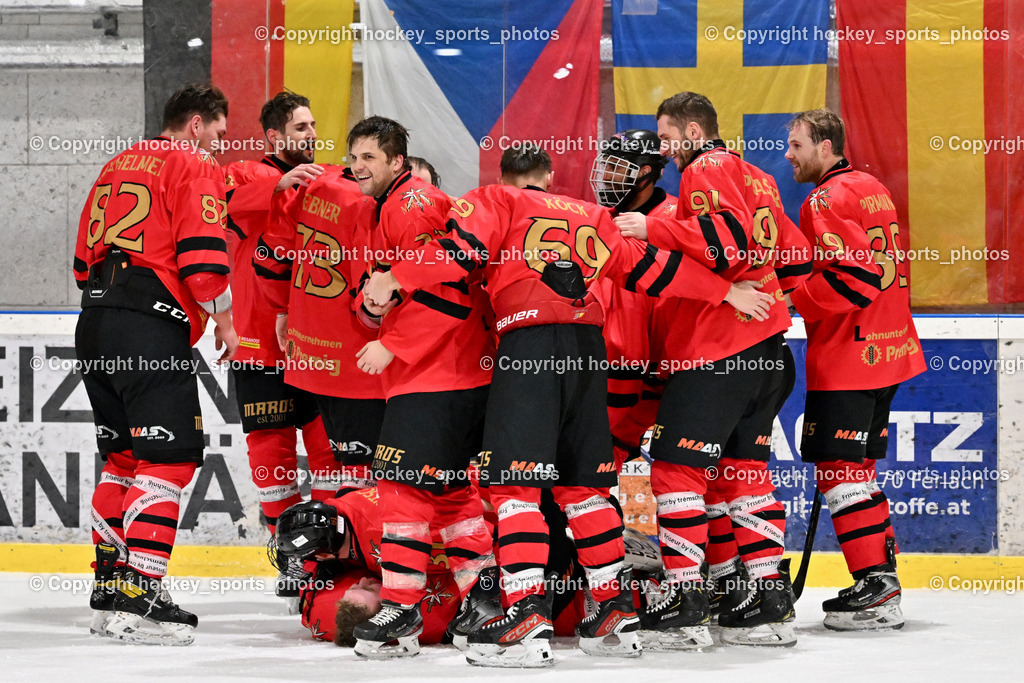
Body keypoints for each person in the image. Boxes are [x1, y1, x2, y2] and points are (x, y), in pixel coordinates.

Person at [363, 147, 776, 666]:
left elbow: (458, 254)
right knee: (584, 486)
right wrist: (723, 293)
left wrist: (395, 277)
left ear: (505, 178)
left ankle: (526, 616)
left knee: (516, 486)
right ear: (548, 179)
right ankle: (612, 612)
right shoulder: (593, 214)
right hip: (588, 353)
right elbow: (650, 269)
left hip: (529, 347)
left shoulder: (492, 199)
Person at [613, 91, 811, 648]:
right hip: (768, 351)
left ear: (694, 130)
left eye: (669, 135)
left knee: (675, 473)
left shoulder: (708, 166)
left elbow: (726, 246)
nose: (665, 146)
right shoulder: (760, 178)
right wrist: (769, 296)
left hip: (717, 353)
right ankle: (768, 599)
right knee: (744, 472)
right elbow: (794, 256)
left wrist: (653, 230)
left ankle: (684, 600)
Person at [75, 83, 237, 645]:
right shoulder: (193, 163)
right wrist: (224, 318)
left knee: (122, 460)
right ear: (195, 125)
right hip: (149, 321)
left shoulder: (116, 162)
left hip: (94, 319)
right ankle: (142, 599)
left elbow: (80, 262)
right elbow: (204, 264)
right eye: (217, 133)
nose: (219, 145)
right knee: (167, 462)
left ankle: (110, 592)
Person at [346, 116, 497, 659]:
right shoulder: (385, 208)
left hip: (440, 372)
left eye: (369, 157)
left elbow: (454, 289)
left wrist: (395, 344)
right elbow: (381, 293)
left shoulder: (413, 205)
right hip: (444, 373)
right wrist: (369, 311)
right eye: (353, 156)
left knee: (400, 485)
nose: (357, 166)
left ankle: (401, 607)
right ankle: (484, 599)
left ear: (396, 162)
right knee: (452, 493)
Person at [784, 108, 925, 631]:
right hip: (887, 349)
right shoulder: (871, 186)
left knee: (841, 472)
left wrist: (793, 296)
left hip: (850, 355)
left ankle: (875, 589)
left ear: (825, 146)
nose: (789, 155)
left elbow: (856, 278)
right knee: (857, 472)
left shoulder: (824, 199)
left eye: (797, 145)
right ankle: (879, 579)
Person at [221, 93, 336, 608]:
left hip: (319, 343)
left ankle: (333, 553)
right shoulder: (244, 174)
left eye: (313, 125)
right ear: (273, 136)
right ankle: (290, 554)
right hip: (257, 342)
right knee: (272, 458)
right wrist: (279, 184)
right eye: (300, 126)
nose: (310, 133)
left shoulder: (329, 176)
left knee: (331, 455)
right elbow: (221, 208)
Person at [588, 130, 677, 472]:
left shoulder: (678, 218)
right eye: (605, 166)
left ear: (644, 172)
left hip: (659, 370)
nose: (607, 177)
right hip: (607, 364)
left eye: (616, 168)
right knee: (593, 464)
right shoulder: (600, 218)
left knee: (683, 479)